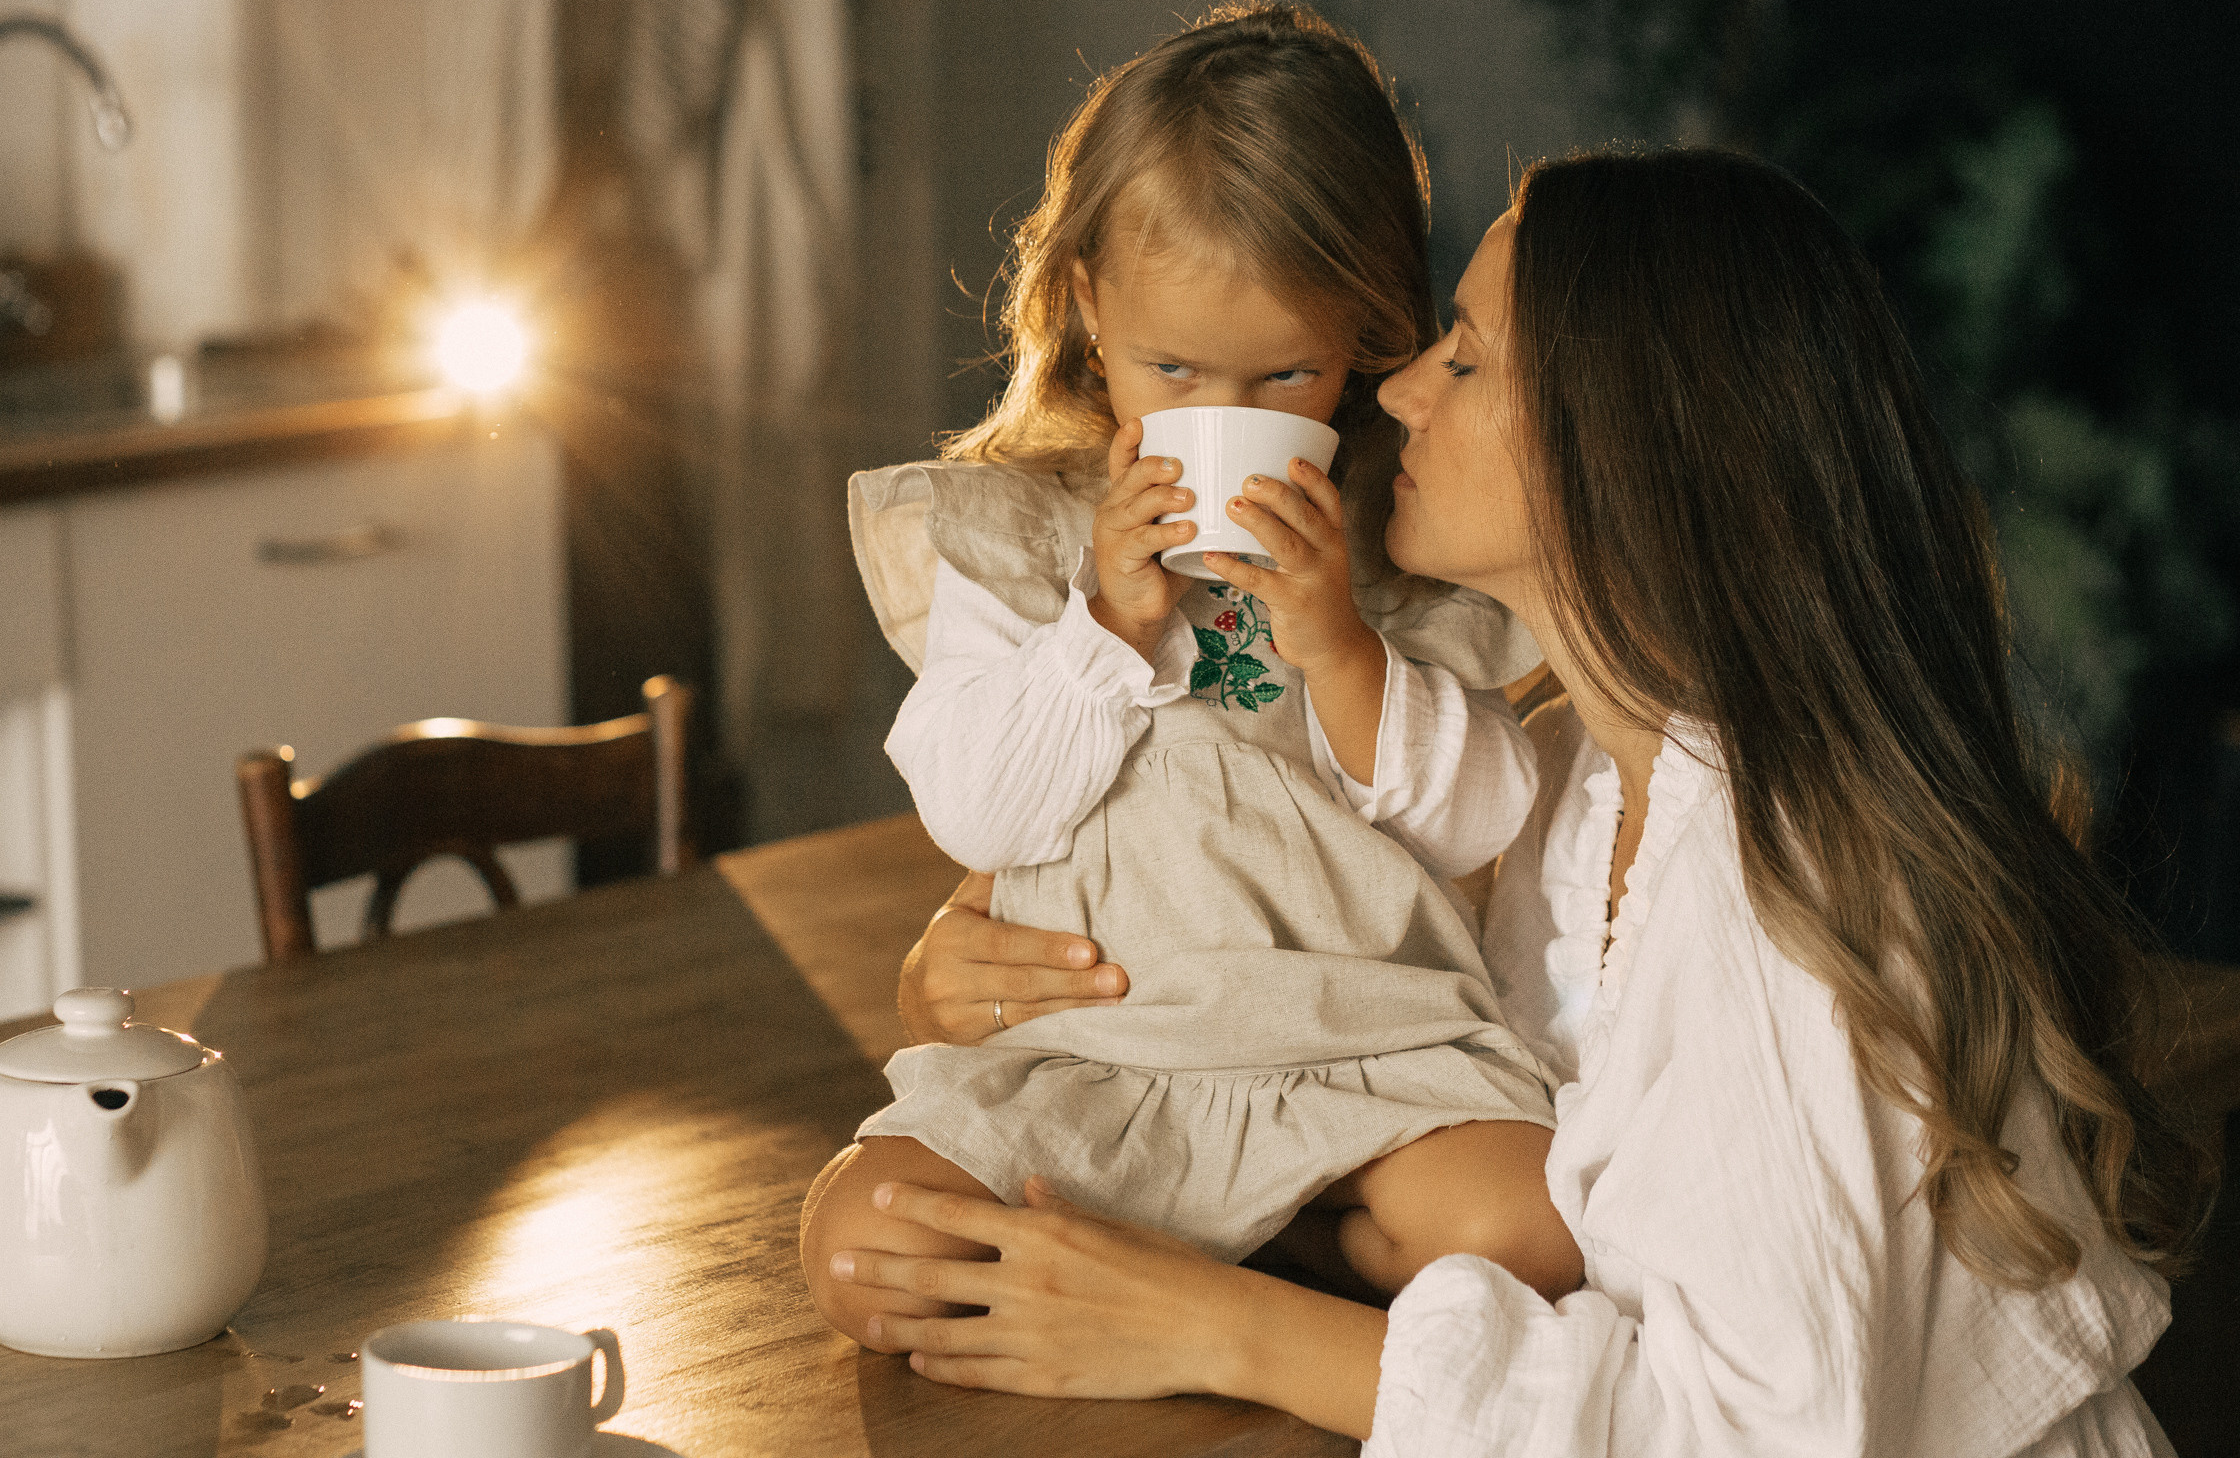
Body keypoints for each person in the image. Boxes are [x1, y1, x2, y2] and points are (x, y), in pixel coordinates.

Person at [822, 146, 2213, 1454]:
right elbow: (1302, 969)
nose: (1400, 390)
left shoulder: (1790, 888)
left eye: (1467, 357)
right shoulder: (1578, 789)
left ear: (1628, 450)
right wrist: (974, 968)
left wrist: (1220, 1329)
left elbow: (1749, 1437)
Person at [801, 2, 1580, 1347]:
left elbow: (1481, 820)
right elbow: (982, 818)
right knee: (867, 1252)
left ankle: (1226, 1250)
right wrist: (1105, 624)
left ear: (1367, 342)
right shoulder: (1015, 537)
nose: (1229, 419)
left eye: (1287, 374)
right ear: (1091, 307)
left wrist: (1337, 643)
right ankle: (1210, 1241)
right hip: (1094, 1053)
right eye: (1175, 370)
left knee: (1533, 1227)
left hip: (1358, 1051)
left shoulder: (1405, 558)